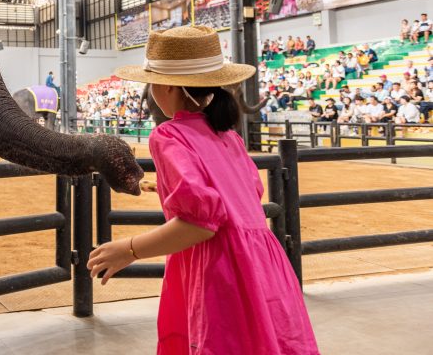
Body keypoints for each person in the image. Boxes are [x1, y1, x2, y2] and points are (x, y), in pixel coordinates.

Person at [87, 25, 318, 354]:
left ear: (165, 86)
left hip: (219, 270)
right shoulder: (229, 137)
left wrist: (130, 249)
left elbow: (200, 223)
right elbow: (244, 197)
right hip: (262, 267)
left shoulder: (168, 136)